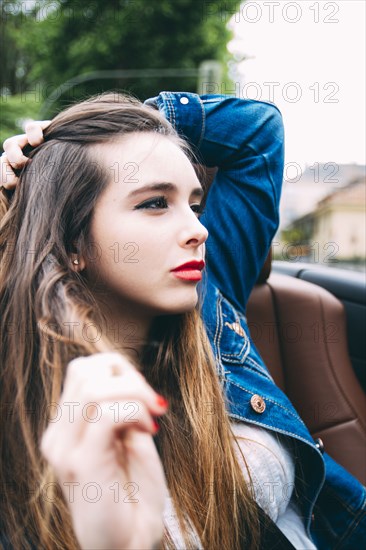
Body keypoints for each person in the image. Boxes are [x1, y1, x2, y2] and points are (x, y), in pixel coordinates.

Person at [0, 91, 365, 550]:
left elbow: (258, 130)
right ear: (71, 242)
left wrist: (109, 126)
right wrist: (52, 162)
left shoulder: (210, 293)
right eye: (155, 203)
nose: (199, 229)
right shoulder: (26, 412)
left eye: (194, 204)